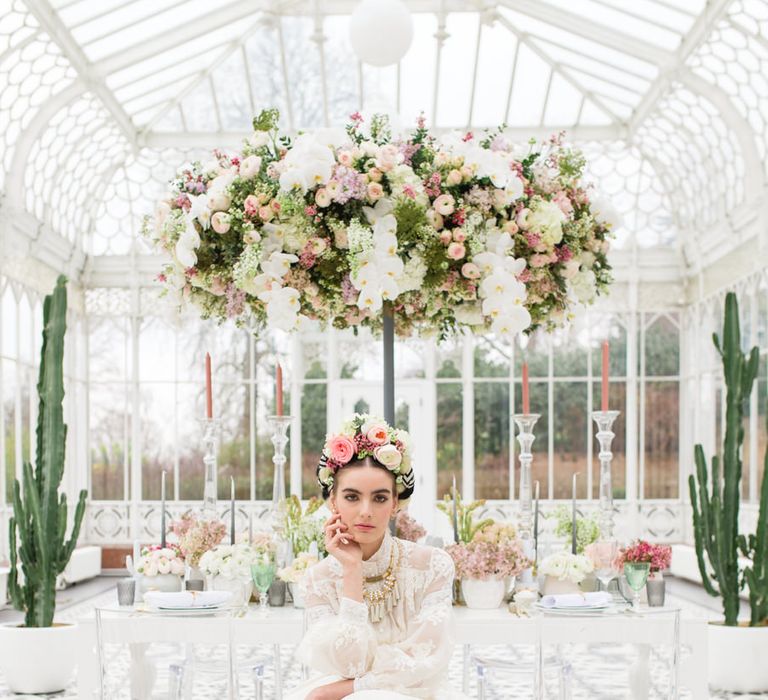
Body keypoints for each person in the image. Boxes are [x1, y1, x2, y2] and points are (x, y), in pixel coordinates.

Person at [285, 414, 466, 700]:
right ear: (333, 501)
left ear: (395, 503)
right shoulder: (317, 580)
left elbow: (424, 661)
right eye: (352, 497)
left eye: (380, 498)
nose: (366, 511)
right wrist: (351, 571)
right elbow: (349, 664)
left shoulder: (433, 566)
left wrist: (347, 689)